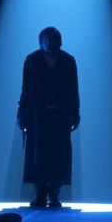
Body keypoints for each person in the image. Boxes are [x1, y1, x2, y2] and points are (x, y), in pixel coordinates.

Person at [17, 26, 80, 209]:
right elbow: (26, 89)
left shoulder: (68, 61)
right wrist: (22, 113)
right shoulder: (32, 60)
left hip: (60, 116)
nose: (49, 44)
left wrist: (75, 113)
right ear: (41, 42)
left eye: (53, 41)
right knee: (38, 156)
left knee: (58, 155)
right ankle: (40, 195)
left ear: (59, 43)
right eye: (46, 41)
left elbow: (73, 90)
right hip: (38, 116)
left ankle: (54, 195)